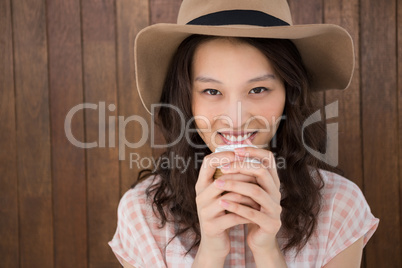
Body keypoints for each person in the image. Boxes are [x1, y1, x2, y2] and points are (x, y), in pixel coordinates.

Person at [109, 0, 379, 267]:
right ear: (185, 100)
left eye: (258, 89)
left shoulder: (339, 205)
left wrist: (268, 252)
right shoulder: (142, 215)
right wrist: (211, 254)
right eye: (212, 91)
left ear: (290, 93)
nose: (236, 119)